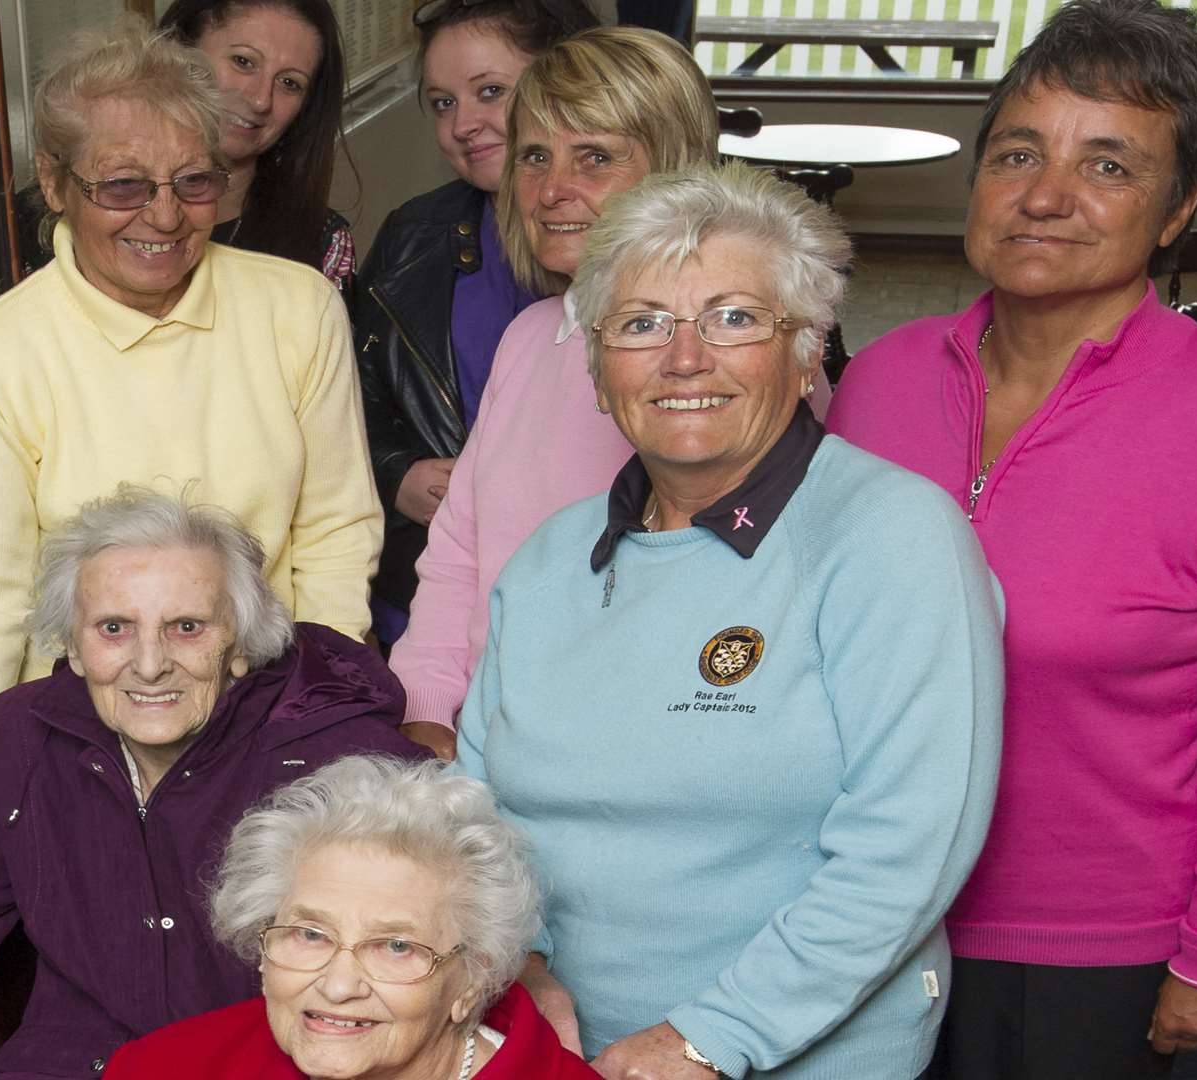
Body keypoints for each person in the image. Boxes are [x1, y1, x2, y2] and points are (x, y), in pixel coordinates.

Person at [824, 3, 1197, 1077]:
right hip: (854, 903)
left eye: (1108, 166)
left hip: (1084, 945)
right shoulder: (880, 381)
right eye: (1019, 153)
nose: (1046, 196)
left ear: (1176, 208)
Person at [459, 162, 1006, 1079]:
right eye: (641, 325)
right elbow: (478, 815)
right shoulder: (550, 559)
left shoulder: (893, 538)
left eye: (735, 318)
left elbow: (910, 845)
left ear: (806, 351)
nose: (685, 359)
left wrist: (709, 1037)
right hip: (547, 1047)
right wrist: (527, 969)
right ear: (596, 367)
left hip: (795, 1047)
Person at [0, 489, 423, 1080]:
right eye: (114, 627)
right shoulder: (23, 739)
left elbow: (405, 987)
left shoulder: (342, 765)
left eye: (185, 627)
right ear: (73, 642)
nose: (149, 665)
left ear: (239, 645)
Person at [0, 19, 381, 856]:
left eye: (195, 182)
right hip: (82, 733)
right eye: (123, 186)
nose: (164, 217)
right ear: (54, 184)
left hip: (268, 709)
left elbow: (337, 536)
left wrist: (320, 719)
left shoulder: (297, 307)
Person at [387, 26, 720, 758]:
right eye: (535, 156)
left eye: (594, 157)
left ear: (674, 169)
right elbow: (456, 556)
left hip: (630, 755)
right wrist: (428, 711)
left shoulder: (732, 361)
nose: (549, 190)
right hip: (478, 741)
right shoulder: (533, 337)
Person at [101, 755, 602, 1079]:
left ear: (472, 979)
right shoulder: (159, 1068)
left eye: (396, 946)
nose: (339, 986)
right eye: (310, 933)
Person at [353, 0, 598, 646]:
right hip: (432, 605)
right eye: (441, 103)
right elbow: (349, 400)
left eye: (490, 92)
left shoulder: (666, 255)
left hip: (595, 613)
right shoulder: (411, 237)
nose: (464, 124)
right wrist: (397, 472)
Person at [160, 0, 358, 295]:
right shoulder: (98, 206)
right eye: (243, 62)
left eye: (290, 83)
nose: (261, 100)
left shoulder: (322, 244)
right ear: (178, 51)